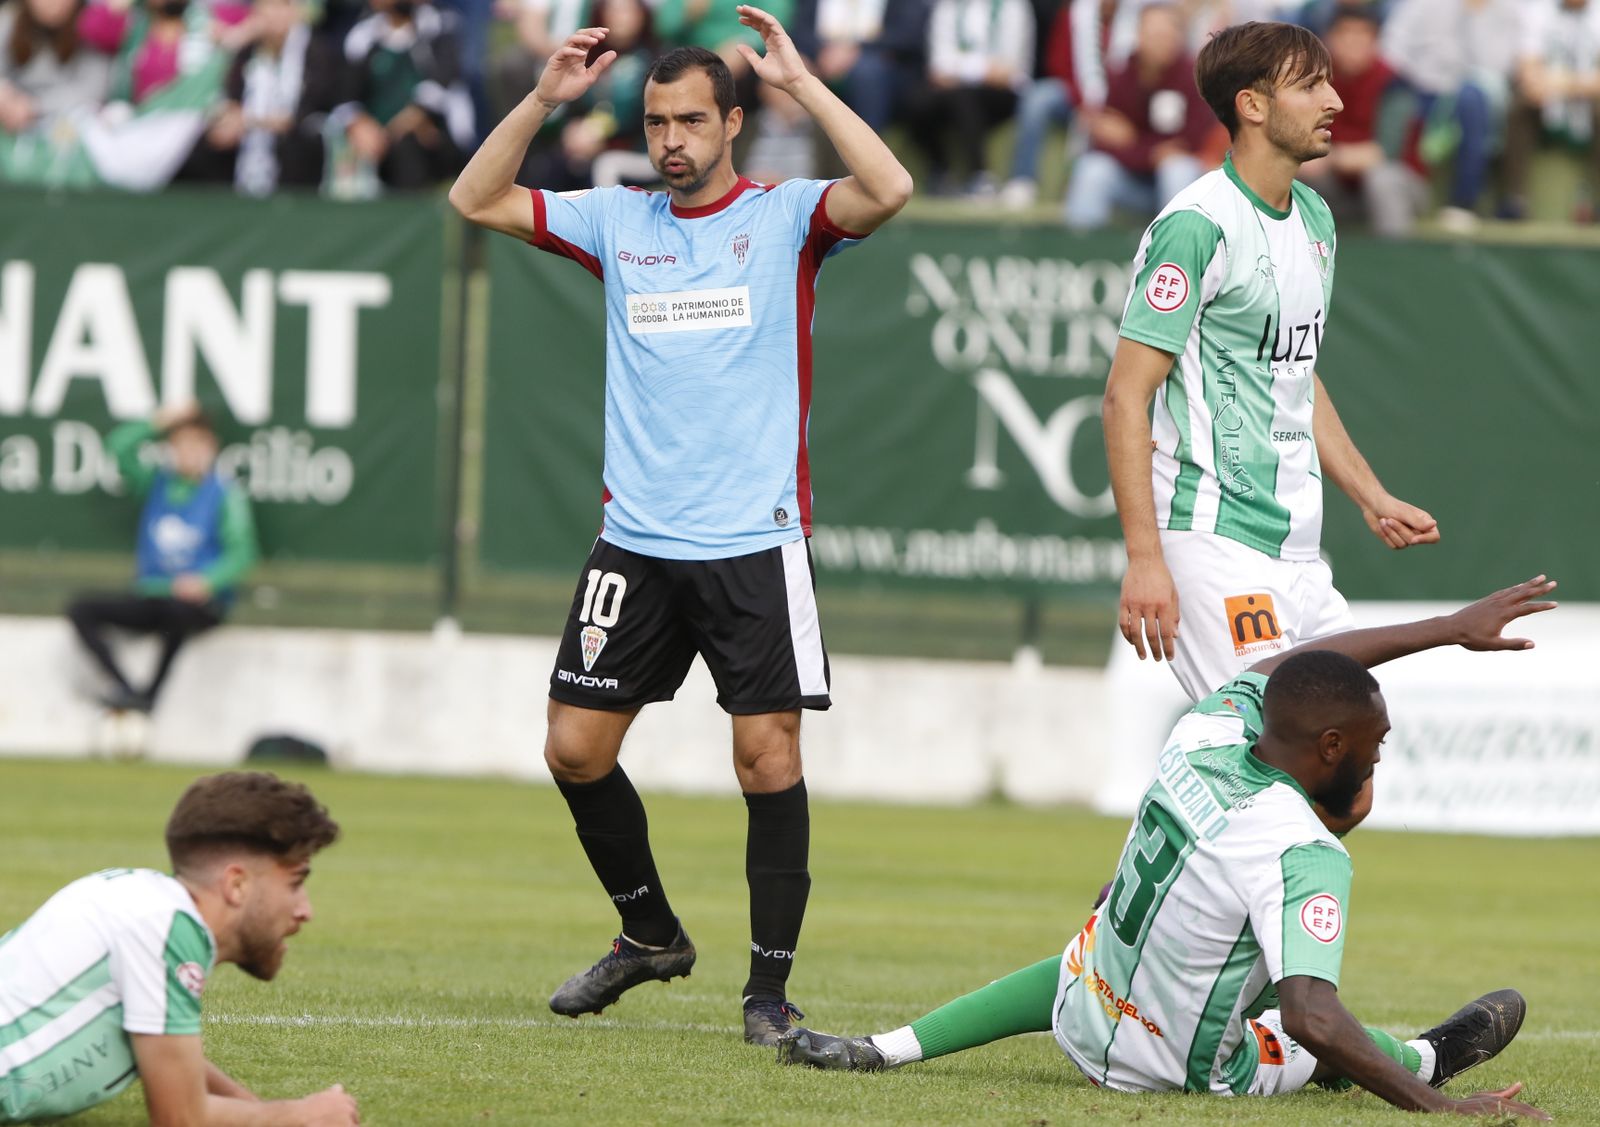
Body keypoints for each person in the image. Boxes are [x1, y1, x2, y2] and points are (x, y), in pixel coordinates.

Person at [448, 8, 911, 1044]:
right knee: (572, 747)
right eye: (657, 121)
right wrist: (542, 100)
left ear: (732, 123)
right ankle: (649, 932)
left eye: (691, 121)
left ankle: (767, 994)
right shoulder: (618, 221)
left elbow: (888, 188)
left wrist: (807, 87)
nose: (671, 140)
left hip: (754, 538)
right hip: (637, 542)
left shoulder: (787, 216)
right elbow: (473, 195)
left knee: (766, 759)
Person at [774, 577, 1556, 1122]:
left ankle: (881, 1048)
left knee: (1104, 943)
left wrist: (1450, 629)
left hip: (1086, 1012)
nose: (1381, 753)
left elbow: (1286, 669)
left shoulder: (1203, 729)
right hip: (1173, 1069)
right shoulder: (1303, 851)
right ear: (1329, 744)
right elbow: (1313, 1015)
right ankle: (1432, 1058)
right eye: (1374, 741)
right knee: (1300, 1034)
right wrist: (1440, 1110)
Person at [1103, 21, 1440, 703]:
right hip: (1213, 539)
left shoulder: (1315, 218)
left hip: (1299, 550)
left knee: (1349, 765)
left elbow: (1294, 372)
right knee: (1272, 754)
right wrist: (1145, 559)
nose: (1334, 102)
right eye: (1310, 85)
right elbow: (1124, 398)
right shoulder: (1197, 225)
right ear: (1253, 106)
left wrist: (1371, 496)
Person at [0, 771, 358, 1125]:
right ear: (237, 884)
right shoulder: (164, 928)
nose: (305, 911)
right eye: (295, 883)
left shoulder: (137, 896)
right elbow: (180, 1119)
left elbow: (161, 1042)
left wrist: (252, 1104)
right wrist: (300, 1116)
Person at [66, 402, 258, 714]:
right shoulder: (158, 484)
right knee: (81, 608)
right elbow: (117, 446)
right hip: (152, 593)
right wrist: (161, 420)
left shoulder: (224, 493)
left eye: (196, 445)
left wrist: (206, 581)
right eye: (181, 444)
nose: (188, 453)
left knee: (179, 612)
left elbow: (244, 553)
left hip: (197, 603)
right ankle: (124, 688)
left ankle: (151, 694)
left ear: (211, 448)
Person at [1062, 2, 1211, 229]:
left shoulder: (1193, 79)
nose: (1162, 39)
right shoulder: (1121, 78)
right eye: (1154, 33)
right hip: (1133, 183)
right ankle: (1081, 254)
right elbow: (1104, 140)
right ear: (1138, 35)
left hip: (1180, 184)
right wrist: (1152, 151)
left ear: (1179, 36)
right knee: (1093, 169)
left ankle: (1176, 253)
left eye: (1168, 32)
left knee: (1177, 168)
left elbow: (1192, 141)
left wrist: (1133, 143)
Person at [1299, 7, 1425, 236]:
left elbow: (1384, 153)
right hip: (1340, 187)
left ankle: (1397, 260)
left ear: (1375, 40)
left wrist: (1329, 158)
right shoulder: (1314, 82)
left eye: (1362, 35)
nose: (1353, 42)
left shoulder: (1394, 83)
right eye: (1345, 34)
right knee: (1294, 171)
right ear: (1329, 39)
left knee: (1381, 179)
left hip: (1400, 183)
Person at [1501, 0, 1600, 222]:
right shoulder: (1539, 11)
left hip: (1585, 98)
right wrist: (1546, 85)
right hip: (1546, 97)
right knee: (1519, 108)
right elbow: (1527, 66)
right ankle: (1515, 200)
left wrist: (1566, 85)